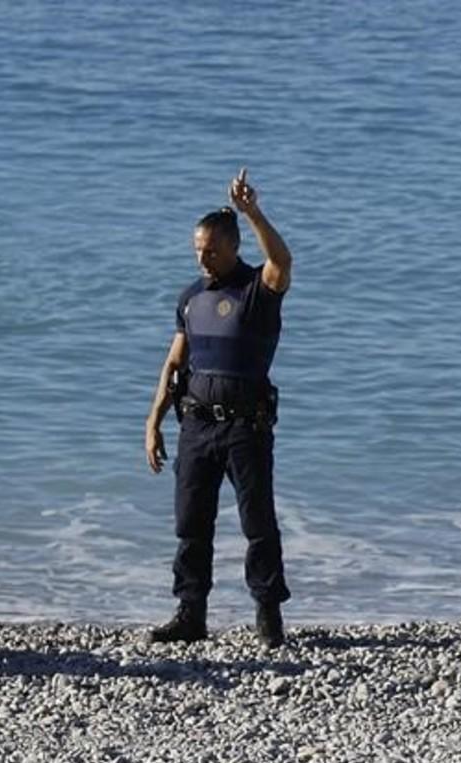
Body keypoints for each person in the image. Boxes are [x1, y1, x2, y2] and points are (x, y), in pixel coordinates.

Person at [144, 168, 294, 647]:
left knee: (258, 523)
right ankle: (191, 614)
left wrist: (252, 212)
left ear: (232, 247)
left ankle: (268, 616)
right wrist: (153, 423)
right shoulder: (191, 298)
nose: (203, 259)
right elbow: (173, 363)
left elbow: (282, 260)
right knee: (191, 524)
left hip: (245, 428)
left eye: (211, 250)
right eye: (197, 251)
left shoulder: (256, 290)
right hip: (196, 427)